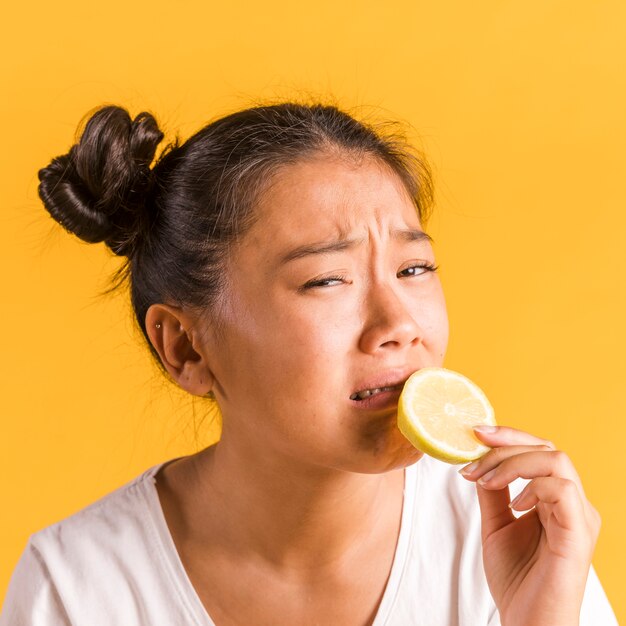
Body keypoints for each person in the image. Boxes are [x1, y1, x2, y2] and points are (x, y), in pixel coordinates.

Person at [1, 101, 618, 626]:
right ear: (186, 347)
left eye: (414, 269)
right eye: (327, 280)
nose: (399, 324)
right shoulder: (75, 589)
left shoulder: (519, 546)